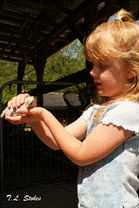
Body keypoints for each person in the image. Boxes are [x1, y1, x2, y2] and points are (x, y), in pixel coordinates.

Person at [4, 9, 139, 208]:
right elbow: (57, 141)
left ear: (131, 72)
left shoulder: (128, 112)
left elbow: (81, 154)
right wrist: (32, 117)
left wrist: (43, 113)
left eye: (102, 66)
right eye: (92, 65)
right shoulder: (97, 109)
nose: (92, 72)